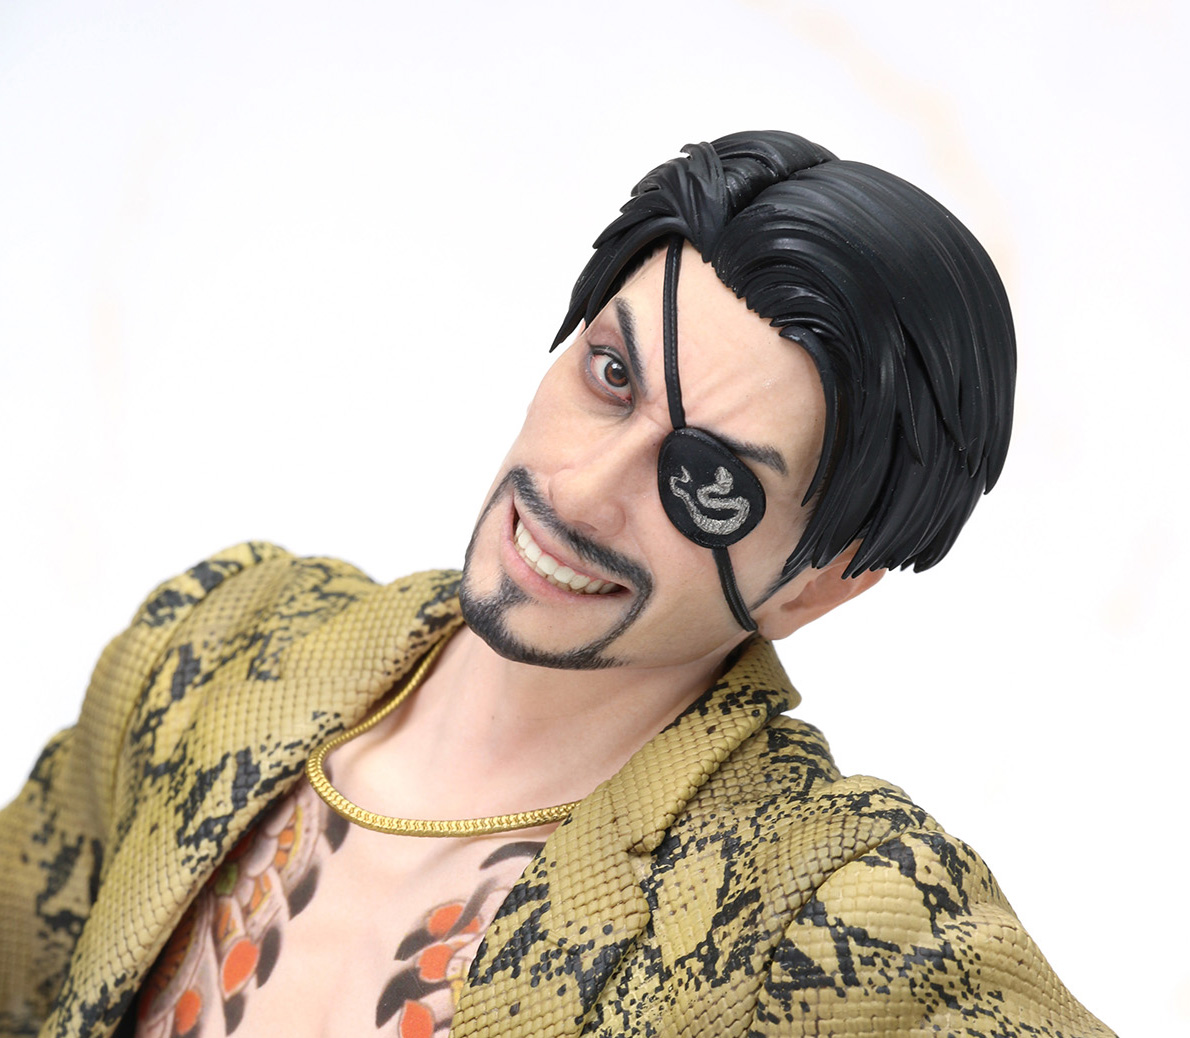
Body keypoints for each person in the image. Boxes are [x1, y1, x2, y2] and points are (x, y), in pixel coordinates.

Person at [0, 131, 1114, 1038]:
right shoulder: (220, 654)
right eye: (610, 375)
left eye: (707, 484)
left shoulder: (815, 905)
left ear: (819, 584)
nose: (579, 493)